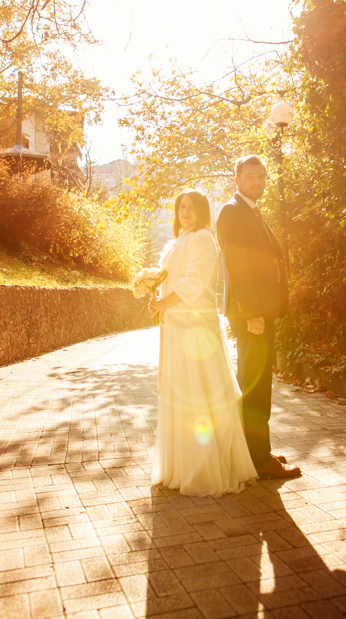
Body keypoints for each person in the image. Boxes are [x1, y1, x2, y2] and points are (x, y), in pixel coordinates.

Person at [148, 189, 258, 497]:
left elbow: (195, 281)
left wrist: (166, 302)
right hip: (176, 327)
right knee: (179, 396)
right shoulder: (177, 242)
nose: (185, 212)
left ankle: (205, 470)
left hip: (196, 329)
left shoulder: (203, 240)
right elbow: (169, 279)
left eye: (192, 207)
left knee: (199, 397)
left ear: (202, 212)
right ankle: (179, 468)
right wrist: (157, 300)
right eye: (181, 206)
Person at [216, 156, 301, 480]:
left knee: (256, 382)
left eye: (262, 177)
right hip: (251, 315)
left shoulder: (251, 210)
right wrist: (252, 313)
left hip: (262, 313)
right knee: (255, 386)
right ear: (236, 179)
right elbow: (238, 266)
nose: (258, 182)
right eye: (250, 177)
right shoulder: (232, 212)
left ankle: (254, 449)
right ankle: (258, 459)